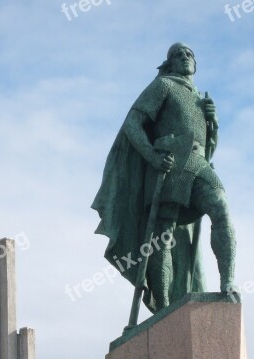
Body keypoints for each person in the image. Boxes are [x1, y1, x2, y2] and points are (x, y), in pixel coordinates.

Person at [92, 42, 236, 313]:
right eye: (177, 55)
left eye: (189, 53)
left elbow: (208, 148)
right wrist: (151, 156)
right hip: (169, 165)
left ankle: (228, 282)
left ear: (195, 63)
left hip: (197, 162)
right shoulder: (163, 86)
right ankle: (165, 308)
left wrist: (212, 124)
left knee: (221, 207)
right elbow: (132, 124)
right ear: (169, 64)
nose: (184, 57)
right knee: (164, 237)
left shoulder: (200, 98)